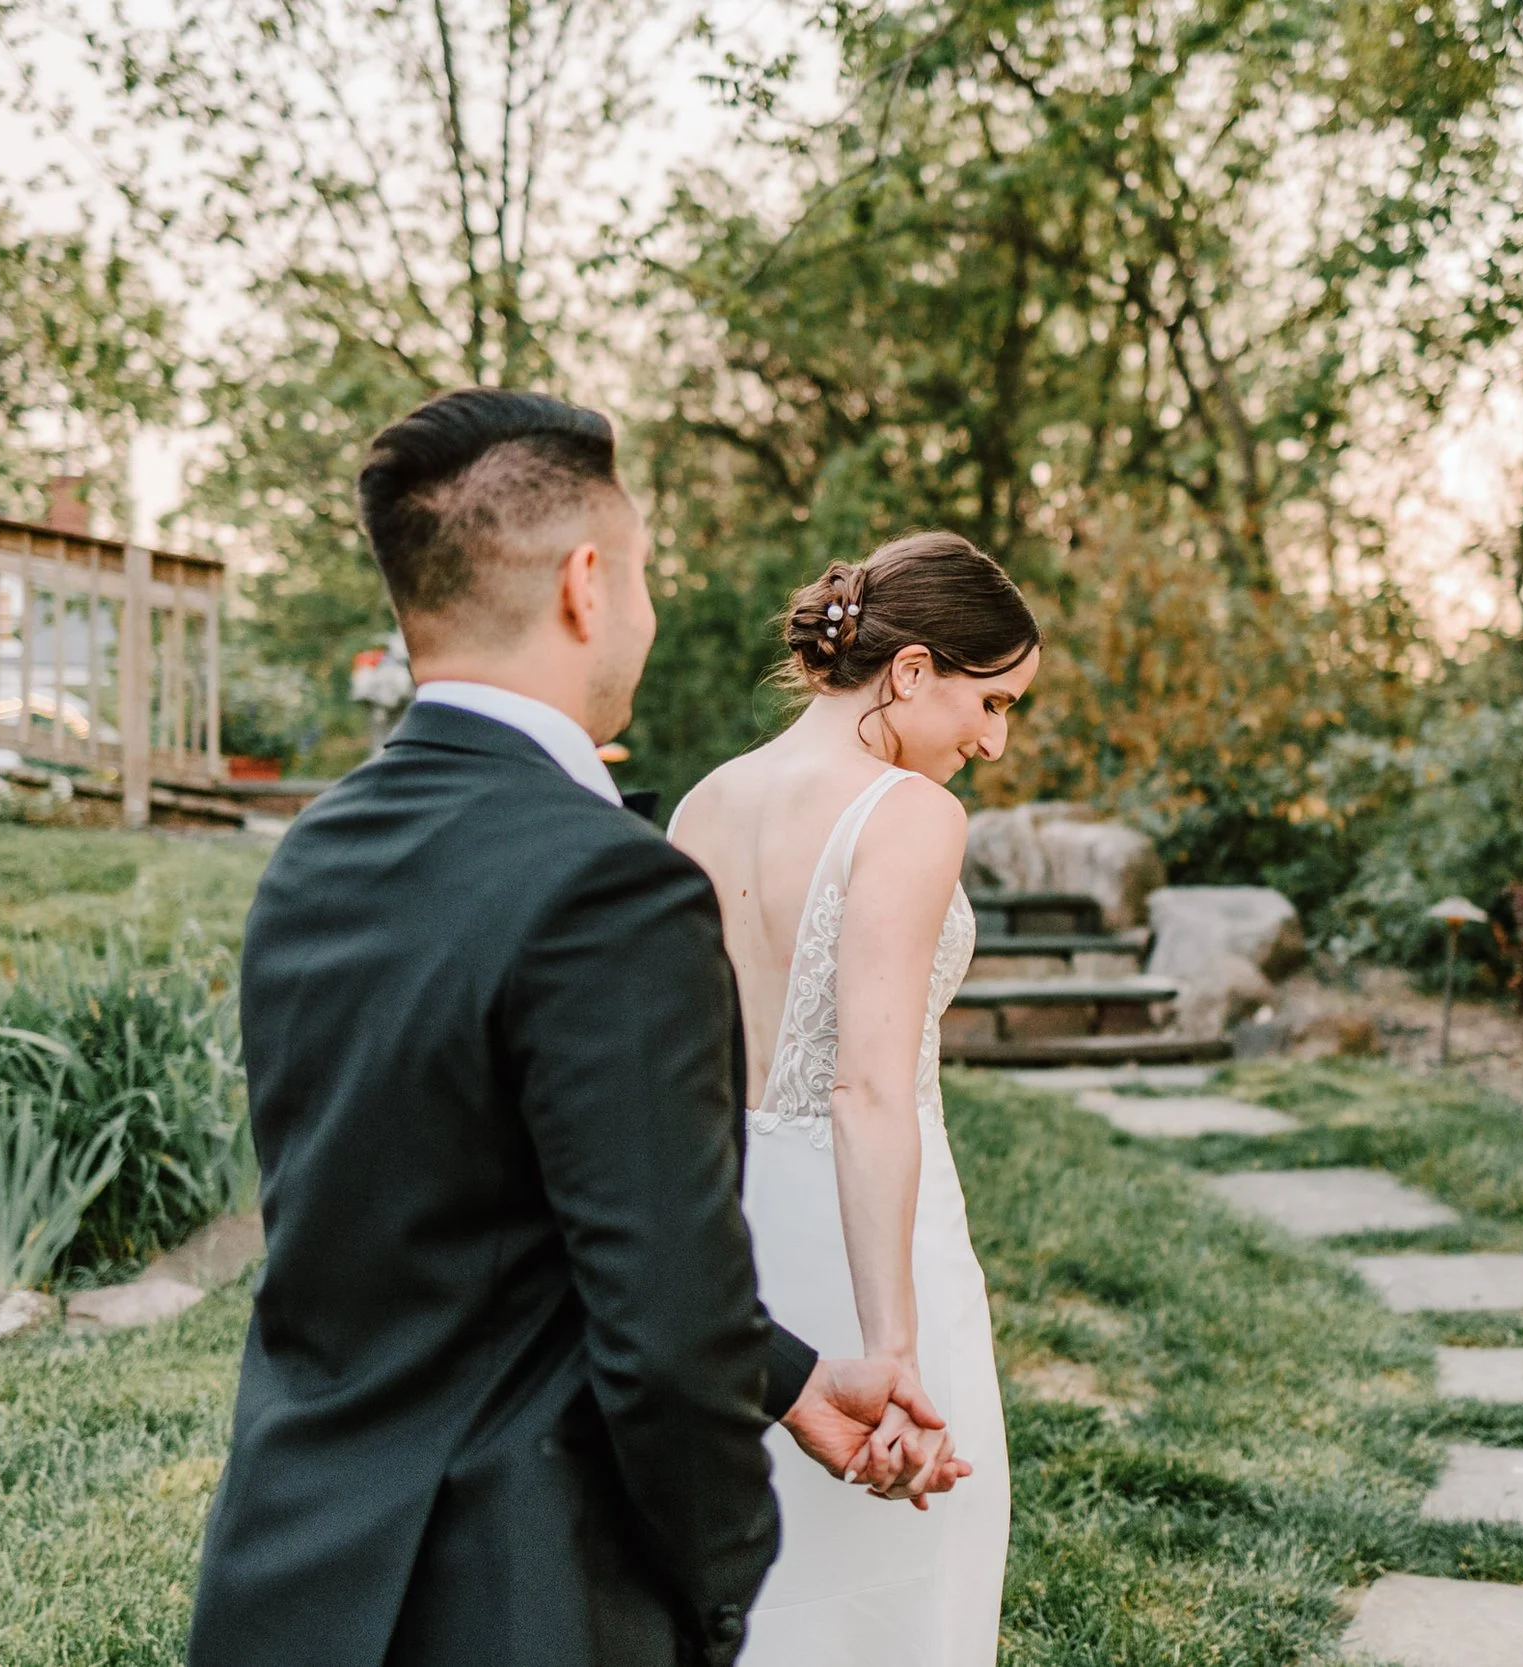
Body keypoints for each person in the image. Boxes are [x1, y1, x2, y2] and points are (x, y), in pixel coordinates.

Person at [187, 389, 963, 1667]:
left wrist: (786, 1374)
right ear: (588, 585)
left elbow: (460, 1216)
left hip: (293, 1576)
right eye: (646, 574)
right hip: (513, 1595)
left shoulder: (314, 851)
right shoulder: (610, 883)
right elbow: (659, 1309)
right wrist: (718, 1581)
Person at [668, 533, 1039, 1667]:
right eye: (992, 700)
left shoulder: (701, 804)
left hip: (729, 1244)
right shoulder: (908, 814)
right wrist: (894, 1347)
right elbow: (867, 1085)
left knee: (750, 1581)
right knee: (901, 1593)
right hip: (867, 1235)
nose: (995, 738)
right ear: (912, 669)